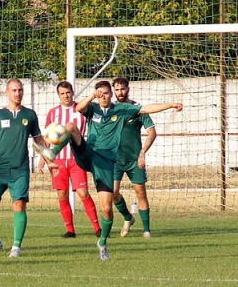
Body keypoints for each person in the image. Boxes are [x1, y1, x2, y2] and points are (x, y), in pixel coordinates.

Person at [36, 81, 182, 260]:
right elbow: (78, 108)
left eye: (105, 93)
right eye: (100, 93)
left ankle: (102, 242)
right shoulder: (93, 109)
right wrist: (91, 96)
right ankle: (52, 153)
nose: (103, 96)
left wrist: (170, 105)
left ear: (111, 94)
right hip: (89, 153)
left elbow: (146, 109)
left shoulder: (120, 109)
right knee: (70, 127)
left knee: (106, 209)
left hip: (106, 164)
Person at [0, 78, 55, 258]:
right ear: (7, 92)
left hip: (20, 169)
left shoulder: (30, 115)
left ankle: (16, 247)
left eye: (20, 90)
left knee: (19, 205)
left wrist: (49, 159)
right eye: (14, 90)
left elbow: (38, 139)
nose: (17, 93)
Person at [37, 81, 101, 239]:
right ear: (58, 95)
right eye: (62, 93)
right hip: (58, 160)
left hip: (76, 159)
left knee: (83, 193)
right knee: (62, 195)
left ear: (73, 92)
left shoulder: (81, 109)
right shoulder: (53, 113)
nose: (66, 96)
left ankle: (97, 228)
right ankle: (70, 231)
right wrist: (43, 159)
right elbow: (46, 138)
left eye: (68, 92)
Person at [112, 77, 157, 238]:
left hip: (135, 160)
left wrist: (142, 152)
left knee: (140, 193)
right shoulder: (110, 109)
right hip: (115, 160)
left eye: (122, 89)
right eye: (117, 90)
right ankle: (128, 218)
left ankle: (146, 230)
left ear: (128, 88)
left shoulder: (137, 109)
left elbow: (152, 132)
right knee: (113, 193)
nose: (120, 92)